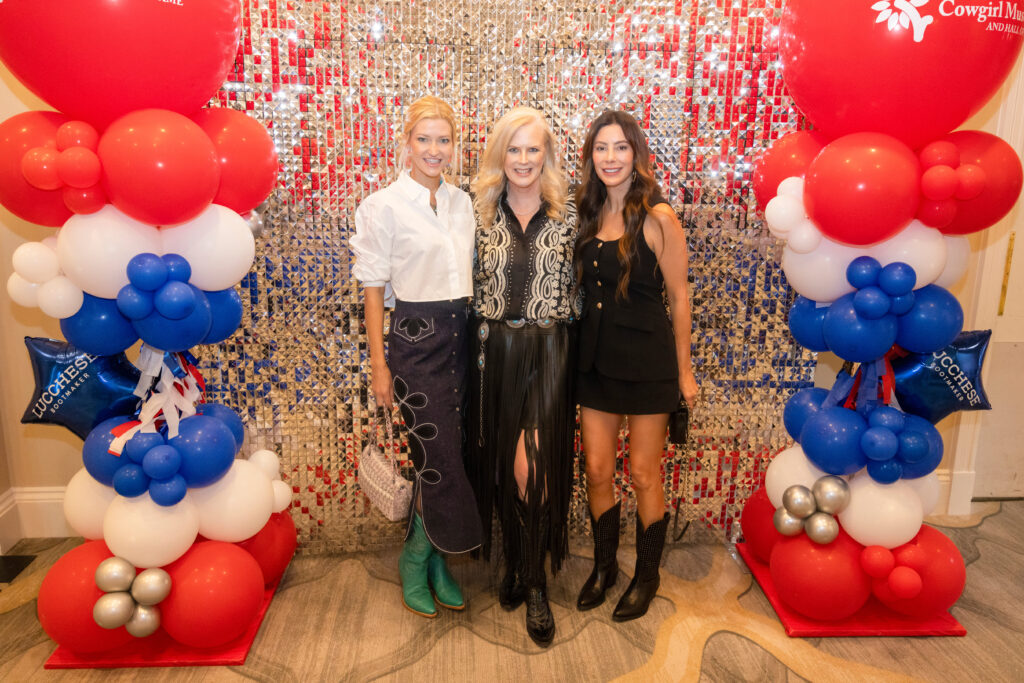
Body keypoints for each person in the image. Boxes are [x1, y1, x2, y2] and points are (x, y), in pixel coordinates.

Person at [350, 96, 482, 619]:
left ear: (454, 146)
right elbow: (373, 290)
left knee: (449, 459)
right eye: (423, 139)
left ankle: (435, 559)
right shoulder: (382, 206)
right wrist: (380, 366)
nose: (433, 149)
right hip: (416, 343)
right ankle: (416, 559)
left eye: (443, 140)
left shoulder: (462, 203)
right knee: (439, 460)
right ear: (406, 145)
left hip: (463, 341)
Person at [573, 110, 698, 622]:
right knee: (598, 469)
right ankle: (604, 567)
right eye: (601, 148)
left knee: (645, 474)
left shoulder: (658, 217)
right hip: (595, 363)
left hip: (649, 364)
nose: (610, 157)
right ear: (591, 157)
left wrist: (685, 374)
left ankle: (647, 576)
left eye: (620, 147)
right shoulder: (586, 211)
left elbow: (681, 296)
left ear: (637, 154)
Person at [467, 107, 578, 646]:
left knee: (532, 468)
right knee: (503, 463)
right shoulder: (478, 212)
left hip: (549, 348)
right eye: (514, 149)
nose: (524, 159)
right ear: (500, 154)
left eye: (534, 149)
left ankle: (534, 584)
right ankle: (513, 563)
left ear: (547, 155)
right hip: (493, 349)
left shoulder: (571, 214)